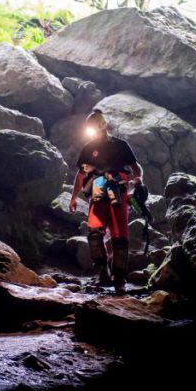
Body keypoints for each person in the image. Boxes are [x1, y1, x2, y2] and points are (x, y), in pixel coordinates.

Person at [69, 109, 143, 294]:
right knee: (94, 233)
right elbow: (81, 174)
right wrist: (73, 197)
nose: (93, 131)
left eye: (95, 127)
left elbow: (135, 167)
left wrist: (138, 180)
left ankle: (119, 279)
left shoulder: (121, 145)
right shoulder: (88, 148)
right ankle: (103, 271)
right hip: (98, 191)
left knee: (120, 236)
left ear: (103, 125)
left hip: (118, 191)